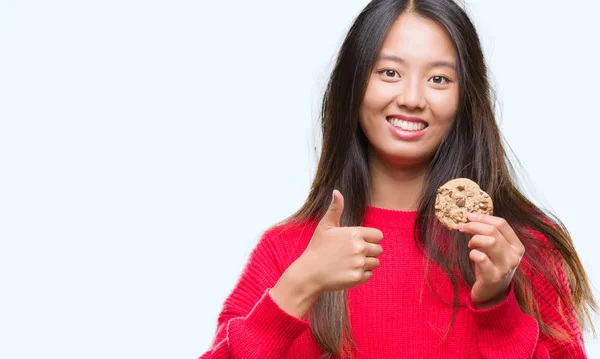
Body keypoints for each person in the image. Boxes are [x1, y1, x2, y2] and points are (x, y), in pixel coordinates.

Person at [199, 0, 597, 357]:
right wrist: (297, 288)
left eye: (439, 79)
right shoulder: (286, 252)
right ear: (353, 86)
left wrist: (498, 308)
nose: (411, 97)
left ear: (466, 98)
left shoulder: (522, 249)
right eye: (389, 72)